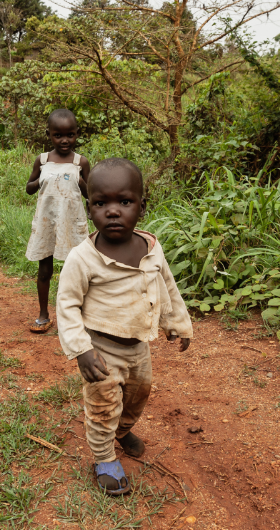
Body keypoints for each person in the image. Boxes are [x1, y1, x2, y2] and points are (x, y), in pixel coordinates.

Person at [55, 158, 194, 496]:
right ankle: (104, 458)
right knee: (104, 405)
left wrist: (176, 322)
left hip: (139, 346)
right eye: (102, 203)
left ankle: (122, 429)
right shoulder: (83, 258)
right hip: (100, 351)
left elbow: (165, 285)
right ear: (90, 209)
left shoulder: (151, 248)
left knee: (137, 396)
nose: (113, 211)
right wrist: (81, 350)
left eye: (125, 202)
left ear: (141, 207)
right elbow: (67, 303)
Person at [24, 109, 91, 333]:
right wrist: (43, 179)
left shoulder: (81, 162)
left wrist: (80, 181)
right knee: (45, 270)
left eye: (70, 135)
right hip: (47, 223)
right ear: (49, 135)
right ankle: (43, 315)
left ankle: (76, 317)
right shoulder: (42, 160)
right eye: (58, 135)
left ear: (76, 134)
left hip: (72, 223)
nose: (64, 140)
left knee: (75, 271)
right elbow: (29, 188)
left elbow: (91, 195)